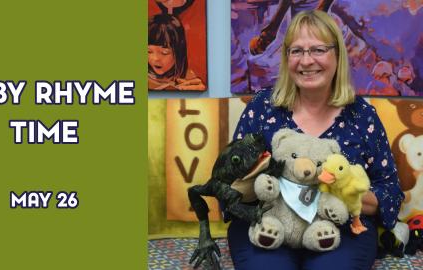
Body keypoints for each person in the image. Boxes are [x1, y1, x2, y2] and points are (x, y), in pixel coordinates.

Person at [229, 10, 404, 269]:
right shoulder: (262, 107)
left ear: (337, 56)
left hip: (341, 229)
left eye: (318, 50)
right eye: (297, 51)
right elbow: (231, 182)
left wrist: (338, 192)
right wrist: (263, 183)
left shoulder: (362, 115)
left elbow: (389, 192)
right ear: (286, 57)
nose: (306, 61)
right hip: (269, 222)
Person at [148, 14, 205, 91]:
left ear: (178, 52)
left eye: (164, 52)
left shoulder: (188, 77)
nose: (155, 58)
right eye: (149, 51)